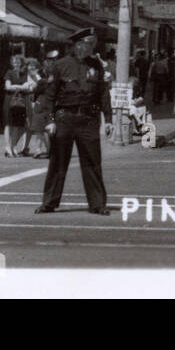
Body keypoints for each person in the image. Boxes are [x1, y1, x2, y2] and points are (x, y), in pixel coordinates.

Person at [35, 29, 113, 214]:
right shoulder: (61, 65)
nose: (91, 47)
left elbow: (103, 94)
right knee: (58, 162)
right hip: (64, 119)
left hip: (88, 120)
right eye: (88, 44)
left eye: (92, 44)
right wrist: (50, 121)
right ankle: (49, 202)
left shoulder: (96, 66)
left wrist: (108, 119)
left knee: (92, 162)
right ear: (78, 45)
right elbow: (50, 97)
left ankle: (97, 204)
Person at [1, 52, 28, 158]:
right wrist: (20, 86)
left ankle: (13, 146)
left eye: (18, 61)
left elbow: (27, 86)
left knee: (17, 125)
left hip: (20, 101)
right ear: (12, 63)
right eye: (14, 61)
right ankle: (7, 147)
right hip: (10, 100)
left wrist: (15, 86)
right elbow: (7, 87)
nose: (16, 63)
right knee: (8, 124)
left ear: (21, 63)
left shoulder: (24, 74)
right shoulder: (9, 72)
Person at [24, 57, 50, 158]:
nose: (32, 68)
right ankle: (37, 149)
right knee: (38, 127)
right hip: (31, 102)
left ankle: (46, 148)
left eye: (34, 67)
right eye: (30, 66)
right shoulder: (26, 76)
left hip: (37, 103)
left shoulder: (41, 79)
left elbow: (37, 90)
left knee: (37, 127)